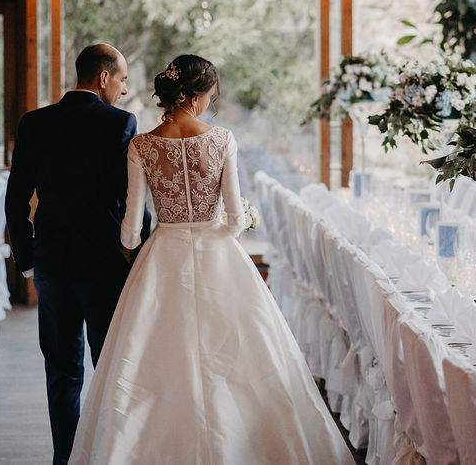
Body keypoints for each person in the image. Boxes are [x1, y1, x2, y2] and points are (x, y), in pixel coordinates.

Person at [69, 54, 352, 464]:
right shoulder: (221, 141)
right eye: (211, 95)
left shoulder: (142, 145)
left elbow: (131, 229)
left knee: (152, 360)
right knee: (243, 358)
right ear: (197, 97)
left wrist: (136, 249)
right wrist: (218, 225)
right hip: (218, 251)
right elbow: (236, 218)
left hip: (163, 253)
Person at [5, 43, 151, 465]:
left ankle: (65, 459)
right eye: (122, 79)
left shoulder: (34, 123)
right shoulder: (121, 123)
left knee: (62, 372)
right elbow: (131, 198)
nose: (124, 90)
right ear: (103, 78)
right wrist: (137, 249)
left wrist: (29, 259)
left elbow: (15, 201)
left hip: (52, 263)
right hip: (106, 265)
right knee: (109, 368)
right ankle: (105, 454)